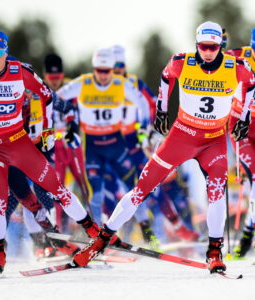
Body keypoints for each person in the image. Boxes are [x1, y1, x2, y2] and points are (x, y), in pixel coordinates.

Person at [72, 21, 255, 274]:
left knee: (217, 192)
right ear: (197, 44)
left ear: (219, 47)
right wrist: (162, 108)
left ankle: (214, 251)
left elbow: (250, 84)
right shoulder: (182, 62)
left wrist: (244, 116)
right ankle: (101, 240)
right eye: (204, 46)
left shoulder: (236, 67)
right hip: (182, 135)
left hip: (213, 140)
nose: (209, 52)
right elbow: (167, 76)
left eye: (214, 47)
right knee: (142, 188)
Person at [0, 29, 100, 275]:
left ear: (5, 53)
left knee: (54, 189)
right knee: (0, 202)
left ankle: (92, 232)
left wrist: (47, 131)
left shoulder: (20, 72)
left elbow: (48, 97)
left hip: (20, 144)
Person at [56, 48, 153, 234]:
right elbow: (55, 97)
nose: (102, 75)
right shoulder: (83, 83)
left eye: (106, 71)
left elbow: (142, 102)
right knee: (96, 193)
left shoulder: (120, 83)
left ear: (112, 69)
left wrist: (142, 128)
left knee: (134, 188)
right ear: (94, 69)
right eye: (99, 71)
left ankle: (148, 233)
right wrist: (70, 120)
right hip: (92, 146)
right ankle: (96, 236)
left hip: (116, 143)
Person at [109, 45, 199, 243]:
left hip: (135, 141)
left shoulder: (134, 83)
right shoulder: (103, 85)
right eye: (113, 67)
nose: (117, 71)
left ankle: (177, 229)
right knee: (114, 188)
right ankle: (112, 233)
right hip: (111, 141)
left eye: (120, 66)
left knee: (151, 184)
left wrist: (147, 131)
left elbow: (152, 104)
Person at [42, 53, 88, 231]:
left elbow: (81, 111)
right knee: (57, 189)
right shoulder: (41, 90)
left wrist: (74, 127)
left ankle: (93, 230)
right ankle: (60, 231)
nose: (54, 81)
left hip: (73, 145)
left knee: (83, 185)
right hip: (54, 147)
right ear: (45, 76)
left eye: (58, 77)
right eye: (51, 77)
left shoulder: (72, 88)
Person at [226, 28, 255, 258]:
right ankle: (246, 236)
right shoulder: (239, 55)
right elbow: (212, 59)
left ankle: (248, 231)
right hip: (241, 128)